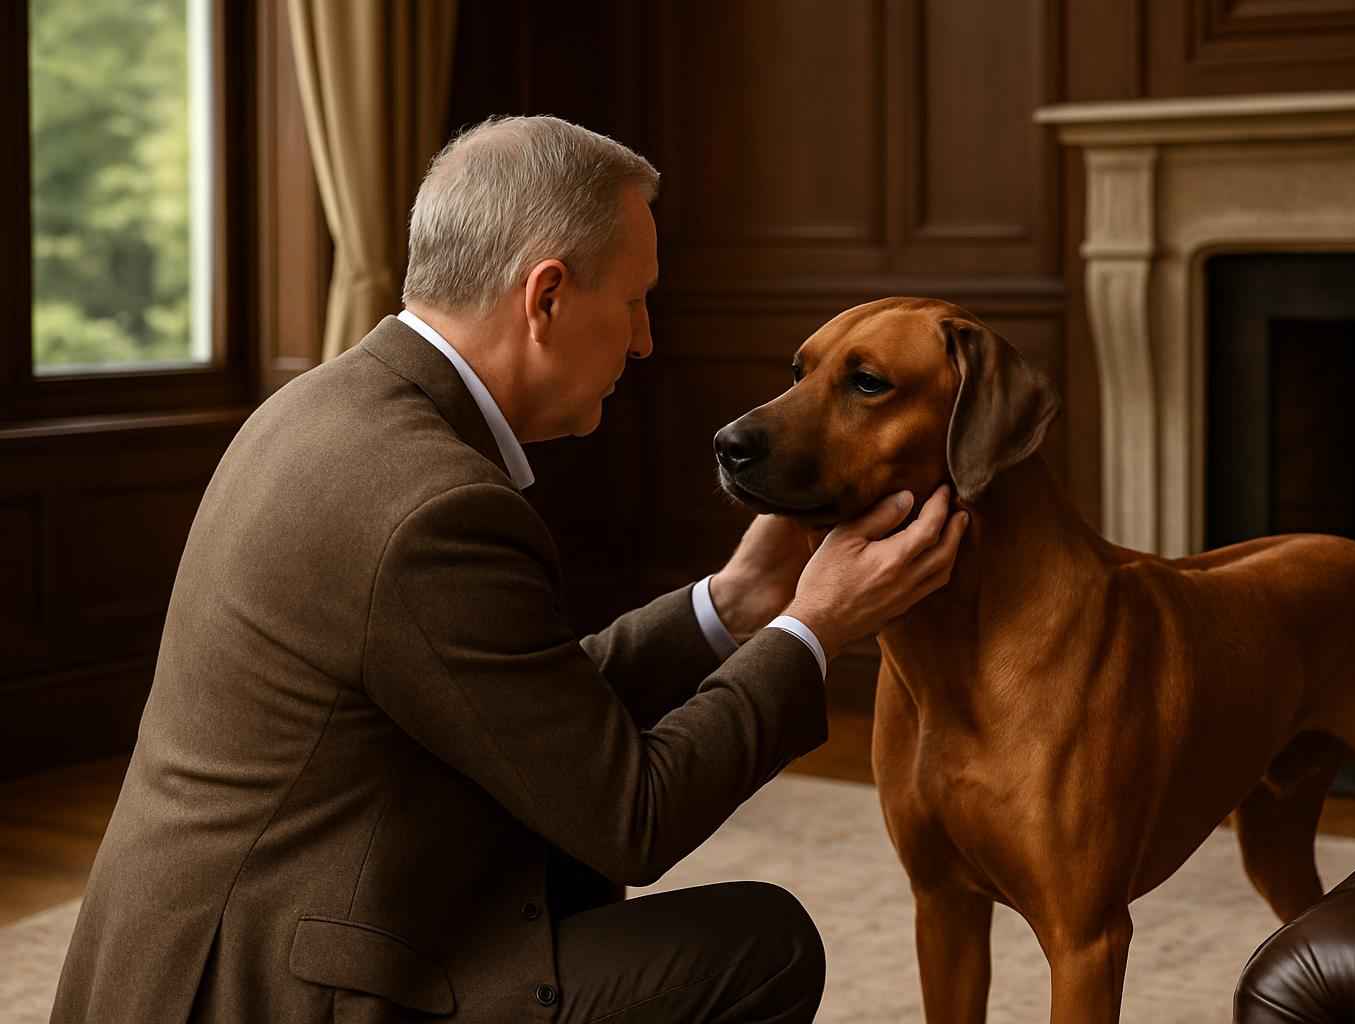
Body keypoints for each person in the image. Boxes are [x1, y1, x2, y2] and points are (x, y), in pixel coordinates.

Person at [50, 115, 967, 1024]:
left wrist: (735, 602)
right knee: (761, 946)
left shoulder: (324, 407)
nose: (644, 341)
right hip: (268, 994)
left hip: (195, 958)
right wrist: (816, 629)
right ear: (547, 298)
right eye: (636, 301)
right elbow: (633, 817)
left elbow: (530, 710)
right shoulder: (434, 508)